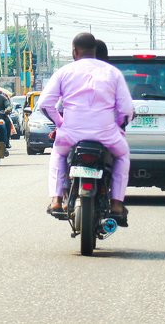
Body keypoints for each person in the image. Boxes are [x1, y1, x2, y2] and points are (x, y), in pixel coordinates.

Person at [39, 32, 134, 225]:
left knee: (57, 154)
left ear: (74, 52)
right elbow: (126, 110)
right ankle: (116, 204)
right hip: (106, 134)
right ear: (95, 50)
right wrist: (118, 127)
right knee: (123, 156)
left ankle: (56, 200)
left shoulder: (64, 72)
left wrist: (60, 123)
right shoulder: (112, 73)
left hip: (71, 134)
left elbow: (44, 104)